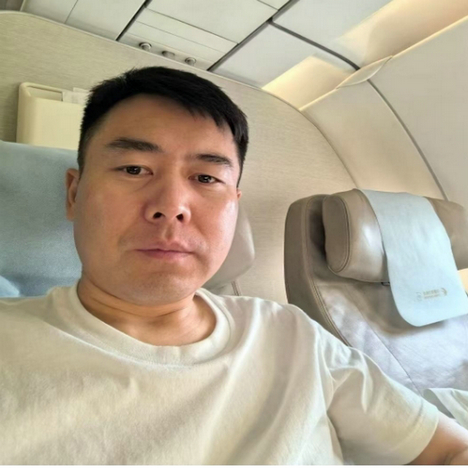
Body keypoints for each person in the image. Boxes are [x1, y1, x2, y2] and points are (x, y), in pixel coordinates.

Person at [0, 66, 467, 465]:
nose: (172, 206)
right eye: (134, 169)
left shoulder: (291, 336)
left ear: (235, 206)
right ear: (74, 193)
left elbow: (450, 450)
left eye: (206, 177)